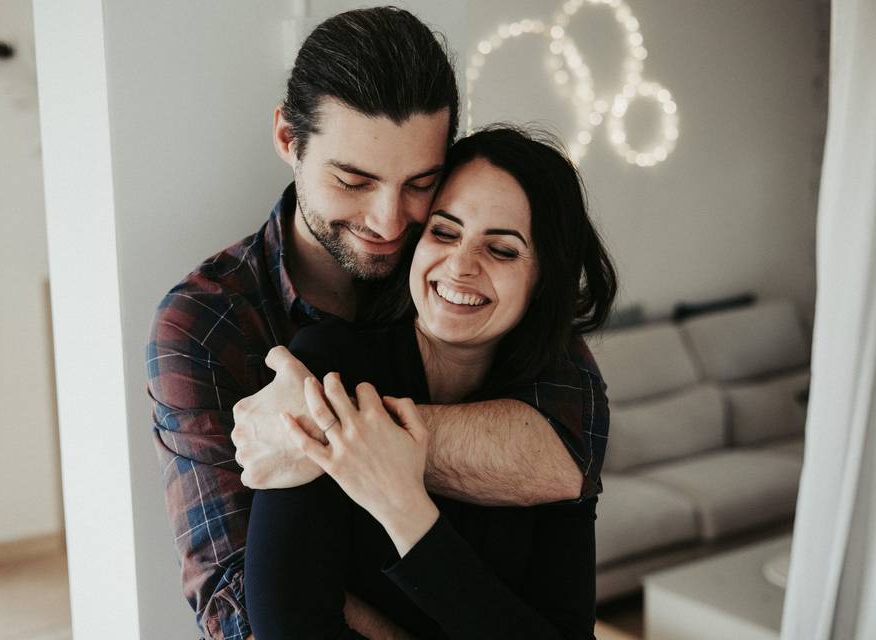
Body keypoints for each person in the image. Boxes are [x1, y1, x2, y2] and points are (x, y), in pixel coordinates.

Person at [146, 8, 613, 639]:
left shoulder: (459, 281)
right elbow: (238, 611)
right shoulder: (208, 323)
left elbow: (563, 455)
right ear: (289, 139)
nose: (391, 223)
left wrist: (329, 434)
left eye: (420, 183)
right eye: (353, 180)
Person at [243, 126, 616, 640]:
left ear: (543, 279)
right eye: (444, 231)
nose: (461, 265)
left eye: (502, 250)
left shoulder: (548, 418)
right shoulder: (329, 366)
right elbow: (286, 627)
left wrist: (405, 509)